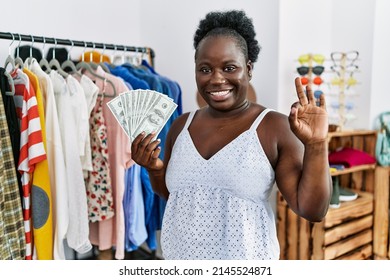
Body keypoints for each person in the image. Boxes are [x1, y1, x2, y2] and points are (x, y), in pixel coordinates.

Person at [131, 10, 332, 260]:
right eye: (205, 69)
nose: (216, 79)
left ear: (248, 69)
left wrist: (317, 145)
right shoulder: (180, 126)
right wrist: (155, 170)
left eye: (229, 68)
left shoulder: (274, 127)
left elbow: (313, 210)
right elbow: (177, 197)